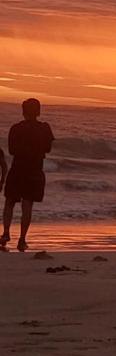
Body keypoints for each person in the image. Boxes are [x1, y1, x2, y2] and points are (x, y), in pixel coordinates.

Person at [2, 99, 55, 252]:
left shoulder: (16, 128)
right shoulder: (44, 128)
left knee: (10, 201)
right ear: (38, 111)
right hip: (34, 169)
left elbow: (11, 151)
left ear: (23, 111)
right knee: (27, 204)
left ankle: (5, 233)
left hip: (18, 167)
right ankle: (22, 239)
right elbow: (48, 149)